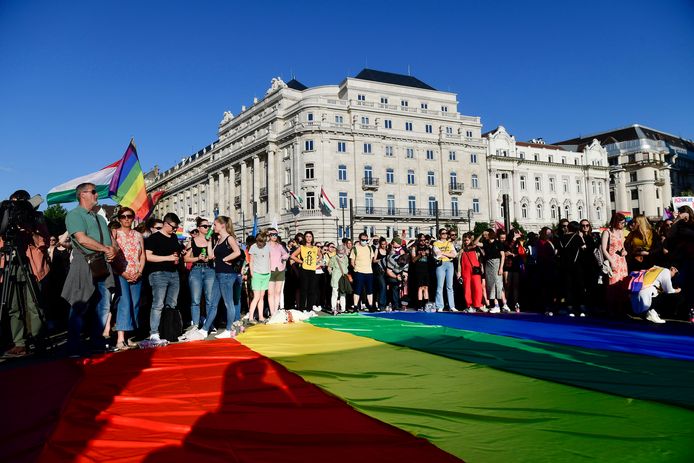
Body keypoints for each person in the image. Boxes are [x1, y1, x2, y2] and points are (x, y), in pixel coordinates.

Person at [62, 183, 118, 356]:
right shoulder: (74, 214)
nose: (96, 195)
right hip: (84, 263)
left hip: (103, 263)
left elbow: (111, 240)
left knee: (103, 305)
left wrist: (113, 250)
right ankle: (73, 346)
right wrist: (105, 249)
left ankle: (97, 341)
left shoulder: (100, 218)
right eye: (93, 192)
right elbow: (82, 239)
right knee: (80, 304)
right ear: (82, 195)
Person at [1, 190, 51, 357]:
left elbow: (44, 242)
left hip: (32, 266)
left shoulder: (35, 217)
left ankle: (37, 340)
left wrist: (30, 230)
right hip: (11, 264)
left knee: (34, 304)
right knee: (13, 305)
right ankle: (19, 343)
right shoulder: (5, 217)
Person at [186, 216, 243, 340]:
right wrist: (209, 242)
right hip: (218, 274)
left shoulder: (229, 238)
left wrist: (226, 259)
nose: (213, 227)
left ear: (222, 225)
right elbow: (211, 255)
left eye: (215, 225)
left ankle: (228, 329)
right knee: (213, 303)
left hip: (227, 275)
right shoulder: (218, 239)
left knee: (228, 302)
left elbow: (237, 252)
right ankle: (204, 330)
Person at [144, 212, 182, 343]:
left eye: (176, 227)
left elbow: (175, 253)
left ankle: (169, 331)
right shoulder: (154, 238)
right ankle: (154, 332)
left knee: (171, 304)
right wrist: (167, 258)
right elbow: (148, 256)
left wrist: (177, 258)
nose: (175, 229)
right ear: (166, 224)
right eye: (173, 227)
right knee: (158, 304)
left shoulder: (174, 237)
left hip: (174, 273)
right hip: (158, 274)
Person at [112, 207, 145, 350]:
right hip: (121, 274)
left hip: (136, 273)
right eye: (123, 216)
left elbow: (142, 255)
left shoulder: (138, 235)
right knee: (124, 303)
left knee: (135, 305)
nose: (126, 219)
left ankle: (128, 337)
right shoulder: (115, 234)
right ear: (119, 219)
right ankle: (120, 339)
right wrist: (123, 272)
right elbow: (111, 255)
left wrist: (140, 272)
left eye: (129, 216)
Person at [183, 217, 216, 332]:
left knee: (209, 299)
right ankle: (196, 325)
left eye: (209, 226)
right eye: (205, 226)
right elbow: (186, 258)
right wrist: (198, 258)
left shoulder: (212, 240)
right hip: (196, 270)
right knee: (195, 300)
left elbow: (211, 256)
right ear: (199, 228)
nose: (208, 228)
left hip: (209, 270)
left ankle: (209, 324)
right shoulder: (192, 241)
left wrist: (209, 243)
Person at [602, 212, 629, 316]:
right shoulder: (607, 232)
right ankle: (611, 309)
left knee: (622, 284)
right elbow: (604, 249)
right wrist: (611, 261)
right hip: (612, 259)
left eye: (624, 223)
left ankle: (621, 309)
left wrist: (624, 252)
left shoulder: (621, 233)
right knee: (612, 284)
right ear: (615, 221)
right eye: (621, 222)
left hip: (622, 260)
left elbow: (622, 246)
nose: (623, 225)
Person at [291, 231, 322, 311]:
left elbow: (320, 255)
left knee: (312, 290)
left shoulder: (315, 248)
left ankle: (309, 309)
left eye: (310, 236)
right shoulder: (302, 247)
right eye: (307, 236)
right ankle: (301, 308)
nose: (308, 238)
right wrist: (301, 261)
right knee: (303, 290)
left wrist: (316, 261)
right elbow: (293, 256)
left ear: (312, 238)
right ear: (305, 238)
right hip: (304, 270)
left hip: (312, 270)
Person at [247, 230, 271, 323]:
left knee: (262, 296)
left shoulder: (267, 247)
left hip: (266, 274)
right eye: (258, 242)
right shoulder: (253, 247)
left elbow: (269, 259)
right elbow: (251, 261)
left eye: (262, 242)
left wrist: (269, 272)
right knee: (256, 297)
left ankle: (261, 316)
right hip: (257, 274)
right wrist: (252, 273)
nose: (260, 244)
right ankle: (251, 317)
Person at [481, 229, 507, 313]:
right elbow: (475, 243)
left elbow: (502, 255)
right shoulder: (485, 243)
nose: (485, 235)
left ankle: (499, 305)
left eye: (486, 234)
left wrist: (501, 267)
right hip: (488, 264)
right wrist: (481, 235)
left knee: (497, 284)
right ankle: (495, 305)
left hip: (496, 264)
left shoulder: (498, 243)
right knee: (490, 284)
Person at [432, 228, 458, 311]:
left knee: (450, 286)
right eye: (443, 233)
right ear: (439, 235)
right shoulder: (436, 243)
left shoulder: (449, 243)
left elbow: (454, 255)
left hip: (450, 264)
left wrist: (443, 253)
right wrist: (448, 254)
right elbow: (437, 254)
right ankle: (440, 306)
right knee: (440, 286)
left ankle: (452, 306)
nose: (445, 235)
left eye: (446, 233)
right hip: (441, 264)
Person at [459, 232, 484, 312]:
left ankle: (478, 304)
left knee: (477, 287)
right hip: (465, 271)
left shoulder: (475, 248)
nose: (466, 242)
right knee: (467, 288)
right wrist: (459, 272)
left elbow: (480, 258)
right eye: (464, 240)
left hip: (475, 270)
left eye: (467, 240)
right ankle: (469, 305)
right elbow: (459, 262)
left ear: (470, 240)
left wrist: (482, 266)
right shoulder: (462, 250)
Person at [349, 232, 374, 311]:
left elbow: (371, 259)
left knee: (369, 290)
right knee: (357, 290)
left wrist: (367, 266)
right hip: (359, 271)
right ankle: (355, 306)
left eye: (366, 240)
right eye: (363, 240)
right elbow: (352, 261)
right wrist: (356, 268)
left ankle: (370, 305)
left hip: (369, 271)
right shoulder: (355, 248)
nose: (364, 241)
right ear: (359, 239)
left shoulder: (369, 248)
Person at [267, 228, 289, 317]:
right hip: (269, 271)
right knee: (270, 293)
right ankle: (272, 313)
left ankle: (275, 312)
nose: (274, 236)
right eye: (272, 235)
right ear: (269, 236)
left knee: (278, 292)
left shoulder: (279, 246)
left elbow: (286, 254)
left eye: (276, 235)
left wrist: (284, 257)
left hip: (280, 270)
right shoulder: (266, 246)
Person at [385, 236, 408, 310]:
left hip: (395, 270)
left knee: (397, 286)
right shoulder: (392, 258)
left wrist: (404, 279)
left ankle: (397, 304)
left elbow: (405, 273)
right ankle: (393, 304)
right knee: (394, 284)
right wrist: (396, 277)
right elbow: (389, 271)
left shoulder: (406, 262)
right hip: (383, 270)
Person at [328, 244, 351, 312]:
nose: (341, 252)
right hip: (336, 278)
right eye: (339, 250)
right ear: (337, 251)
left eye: (342, 250)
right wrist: (332, 273)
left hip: (343, 278)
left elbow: (346, 266)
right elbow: (329, 267)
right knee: (335, 293)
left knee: (343, 293)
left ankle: (343, 308)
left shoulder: (346, 258)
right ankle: (333, 308)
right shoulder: (333, 258)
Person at [410, 234, 431, 309]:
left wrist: (429, 253)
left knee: (426, 287)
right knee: (420, 287)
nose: (423, 241)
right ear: (418, 240)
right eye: (421, 240)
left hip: (426, 269)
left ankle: (426, 304)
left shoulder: (428, 247)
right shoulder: (415, 247)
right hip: (418, 269)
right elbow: (413, 260)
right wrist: (420, 255)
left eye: (424, 240)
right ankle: (419, 305)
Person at [373, 237, 389, 309]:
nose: (383, 246)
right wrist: (381, 260)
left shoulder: (388, 251)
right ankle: (381, 304)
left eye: (384, 244)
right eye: (382, 244)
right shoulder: (377, 250)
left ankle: (386, 303)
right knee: (382, 286)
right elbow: (374, 260)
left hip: (387, 271)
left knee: (386, 287)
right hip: (379, 271)